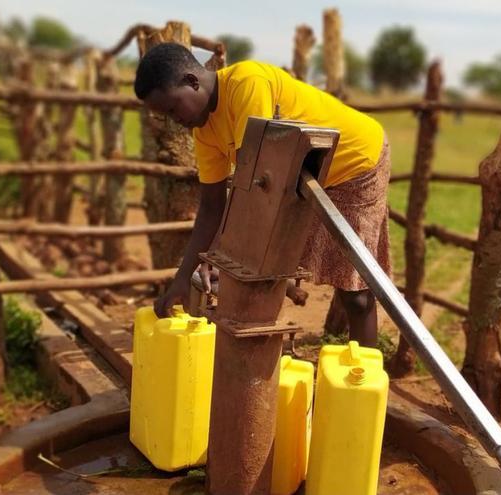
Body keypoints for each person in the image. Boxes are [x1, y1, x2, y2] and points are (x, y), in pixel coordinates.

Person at [134, 42, 390, 347]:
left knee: (356, 294)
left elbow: (253, 184)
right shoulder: (204, 132)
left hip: (355, 162)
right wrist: (182, 277)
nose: (175, 120)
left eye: (174, 109)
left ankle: (366, 378)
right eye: (166, 116)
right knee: (263, 269)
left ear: (192, 81)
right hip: (300, 175)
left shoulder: (246, 83)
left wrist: (217, 257)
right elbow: (212, 207)